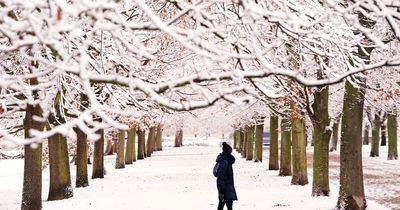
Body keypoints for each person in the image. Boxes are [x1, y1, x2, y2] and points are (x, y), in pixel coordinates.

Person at [215, 142, 238, 210]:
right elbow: (221, 176)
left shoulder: (227, 160)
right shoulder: (224, 162)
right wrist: (221, 190)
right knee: (226, 203)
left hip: (227, 185)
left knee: (225, 203)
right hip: (225, 186)